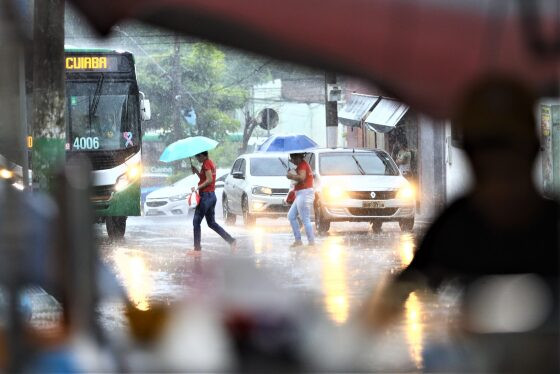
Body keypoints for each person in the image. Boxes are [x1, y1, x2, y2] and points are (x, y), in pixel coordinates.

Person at [362, 76, 559, 371]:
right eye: (486, 150)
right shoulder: (456, 225)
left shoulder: (458, 223)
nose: (498, 164)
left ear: (530, 151)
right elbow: (396, 297)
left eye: (506, 149)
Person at [190, 151, 236, 252]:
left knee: (196, 221)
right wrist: (197, 171)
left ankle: (197, 249)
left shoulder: (206, 164)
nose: (197, 159)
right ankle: (231, 240)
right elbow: (205, 178)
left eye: (198, 157)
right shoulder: (209, 163)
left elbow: (210, 180)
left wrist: (197, 188)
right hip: (211, 196)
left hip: (206, 196)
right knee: (211, 223)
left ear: (202, 155)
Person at [286, 152, 315, 247]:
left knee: (305, 219)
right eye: (291, 159)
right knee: (291, 216)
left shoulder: (302, 165)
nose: (292, 161)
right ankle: (298, 240)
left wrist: (291, 176)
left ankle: (311, 243)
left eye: (293, 159)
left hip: (304, 193)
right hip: (300, 193)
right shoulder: (300, 165)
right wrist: (293, 173)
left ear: (298, 157)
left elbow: (302, 178)